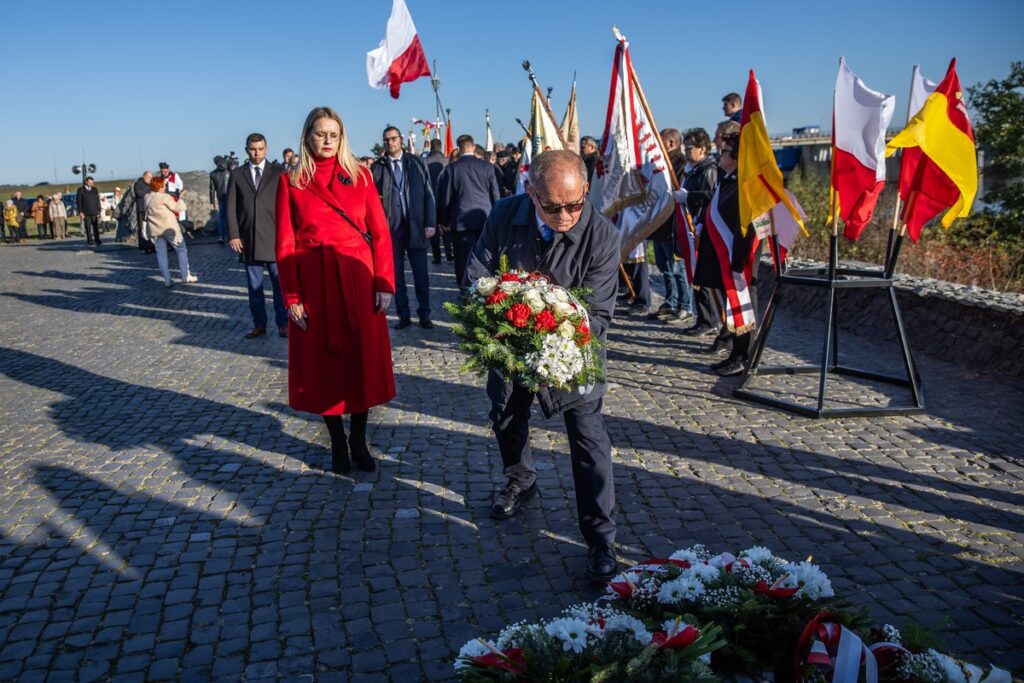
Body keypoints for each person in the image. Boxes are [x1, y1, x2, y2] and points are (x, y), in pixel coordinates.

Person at [466, 150, 621, 583]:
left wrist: (551, 329)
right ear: (531, 193)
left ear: (586, 191)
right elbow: (477, 274)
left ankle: (601, 539)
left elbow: (600, 316)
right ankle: (520, 479)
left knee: (590, 443)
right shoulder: (503, 214)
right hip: (510, 342)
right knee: (506, 415)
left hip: (574, 353)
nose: (566, 216)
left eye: (575, 204)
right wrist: (505, 319)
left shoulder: (603, 235)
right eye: (552, 207)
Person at [275, 106, 396, 475]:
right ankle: (337, 443)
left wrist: (384, 283)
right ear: (307, 136)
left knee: (362, 365)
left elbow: (380, 232)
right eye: (320, 133)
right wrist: (292, 296)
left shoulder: (359, 175)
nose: (327, 140)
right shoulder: (291, 181)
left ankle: (359, 439)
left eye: (334, 134)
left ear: (342, 137)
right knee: (325, 367)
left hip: (358, 280)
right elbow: (285, 244)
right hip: (315, 282)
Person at [692, 132, 758, 377]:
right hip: (724, 259)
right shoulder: (728, 179)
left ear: (738, 156)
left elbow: (746, 226)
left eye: (725, 152)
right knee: (732, 308)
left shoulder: (745, 184)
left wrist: (738, 262)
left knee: (743, 307)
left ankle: (744, 357)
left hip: (738, 260)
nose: (720, 155)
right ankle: (734, 352)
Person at [371, 126, 436, 330]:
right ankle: (403, 314)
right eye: (386, 140)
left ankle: (424, 314)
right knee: (396, 276)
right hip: (391, 230)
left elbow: (428, 194)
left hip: (416, 227)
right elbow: (372, 201)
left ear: (401, 140)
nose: (390, 143)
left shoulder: (416, 163)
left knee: (421, 275)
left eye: (393, 139)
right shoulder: (378, 167)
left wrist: (430, 223)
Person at [227, 133, 289, 339]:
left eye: (260, 149)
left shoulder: (279, 172)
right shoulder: (237, 175)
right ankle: (259, 324)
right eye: (253, 149)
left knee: (279, 286)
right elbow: (230, 207)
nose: (256, 153)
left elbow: (287, 205)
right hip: (248, 239)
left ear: (267, 149)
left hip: (274, 238)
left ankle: (283, 323)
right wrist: (234, 235)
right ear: (246, 150)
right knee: (254, 288)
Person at [437, 134, 501, 290]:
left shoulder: (452, 169)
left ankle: (465, 289)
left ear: (458, 149)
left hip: (461, 219)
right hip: (485, 217)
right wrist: (497, 216)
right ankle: (487, 288)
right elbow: (495, 194)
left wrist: (443, 220)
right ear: (473, 147)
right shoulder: (487, 167)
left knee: (462, 257)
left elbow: (445, 198)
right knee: (487, 255)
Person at [678, 128, 721, 337]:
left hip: (700, 226)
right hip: (691, 225)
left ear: (702, 149)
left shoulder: (708, 169)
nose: (686, 151)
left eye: (690, 148)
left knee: (702, 277)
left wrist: (688, 197)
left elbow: (709, 196)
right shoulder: (692, 169)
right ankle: (702, 317)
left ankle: (709, 319)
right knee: (695, 275)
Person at [647, 128, 692, 323]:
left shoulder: (680, 164)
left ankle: (685, 305)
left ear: (671, 144)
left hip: (672, 225)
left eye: (661, 141)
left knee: (677, 269)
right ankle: (671, 302)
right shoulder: (661, 163)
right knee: (664, 267)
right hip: (659, 223)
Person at [144, 175, 197, 287]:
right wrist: (181, 198)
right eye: (163, 184)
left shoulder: (147, 198)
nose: (165, 186)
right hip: (169, 228)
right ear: (160, 186)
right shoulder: (164, 197)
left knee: (161, 254)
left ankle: (167, 279)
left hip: (155, 229)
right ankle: (185, 276)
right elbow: (178, 208)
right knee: (181, 249)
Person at [424, 138, 452, 264]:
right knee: (446, 225)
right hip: (445, 197)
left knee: (433, 227)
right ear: (440, 147)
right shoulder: (447, 161)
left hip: (430, 198)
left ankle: (437, 256)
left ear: (430, 147)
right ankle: (448, 252)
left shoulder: (424, 161)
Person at [209, 156, 231, 245]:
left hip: (220, 196)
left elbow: (211, 189)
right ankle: (231, 236)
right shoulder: (229, 170)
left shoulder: (213, 174)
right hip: (231, 195)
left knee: (221, 218)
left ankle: (221, 236)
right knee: (231, 217)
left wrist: (212, 202)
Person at [76, 177, 102, 246]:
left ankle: (97, 239)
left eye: (92, 182)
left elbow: (97, 200)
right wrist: (80, 212)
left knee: (96, 228)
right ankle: (90, 240)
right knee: (88, 227)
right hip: (86, 213)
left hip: (94, 212)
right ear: (86, 182)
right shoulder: (81, 190)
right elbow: (78, 202)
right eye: (90, 182)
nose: (91, 184)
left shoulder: (94, 189)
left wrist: (99, 210)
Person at [134, 171, 155, 253]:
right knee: (143, 228)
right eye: (149, 177)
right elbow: (139, 193)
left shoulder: (151, 184)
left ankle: (152, 245)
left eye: (151, 177)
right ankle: (144, 246)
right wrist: (149, 194)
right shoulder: (138, 184)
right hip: (142, 209)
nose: (150, 179)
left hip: (149, 208)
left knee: (151, 228)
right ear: (144, 176)